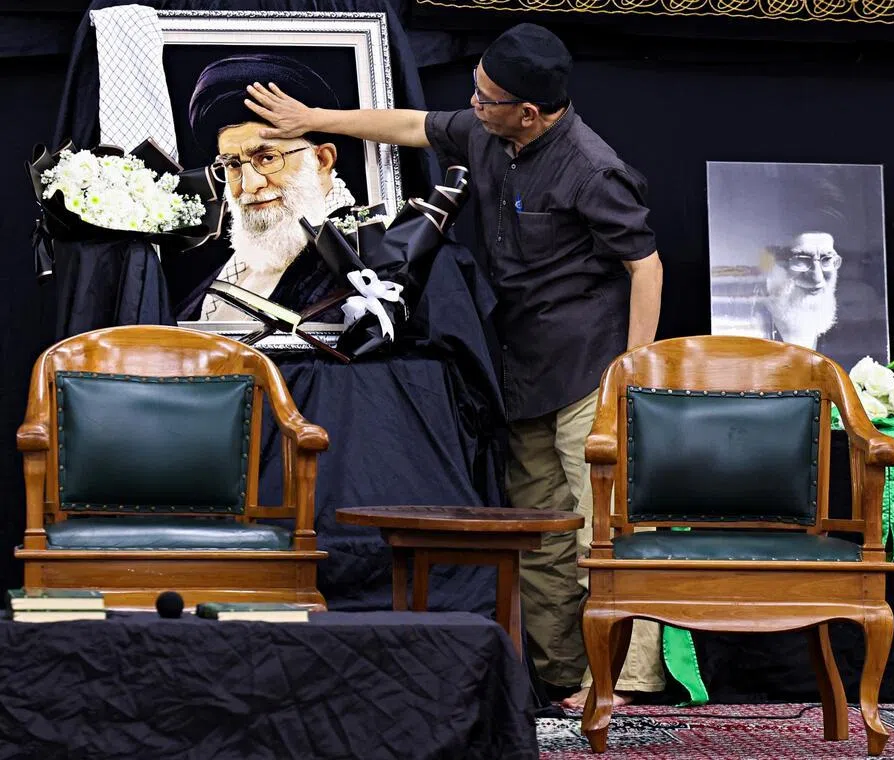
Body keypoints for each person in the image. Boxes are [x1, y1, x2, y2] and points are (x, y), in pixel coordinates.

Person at [242, 23, 665, 707]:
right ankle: (560, 675)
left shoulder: (591, 167)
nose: (472, 105)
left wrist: (631, 371)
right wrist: (313, 118)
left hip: (590, 367)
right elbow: (410, 124)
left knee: (602, 527)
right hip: (524, 366)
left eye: (486, 98)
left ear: (528, 111)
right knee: (539, 531)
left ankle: (622, 682)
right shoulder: (488, 132)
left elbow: (644, 266)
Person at [178, 53, 357, 323]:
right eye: (233, 165)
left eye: (268, 158)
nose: (250, 184)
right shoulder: (246, 258)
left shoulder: (359, 256)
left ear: (322, 160)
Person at [755, 231, 842, 352]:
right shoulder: (745, 327)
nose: (817, 278)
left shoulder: (849, 337)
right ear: (770, 266)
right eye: (801, 260)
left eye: (827, 259)